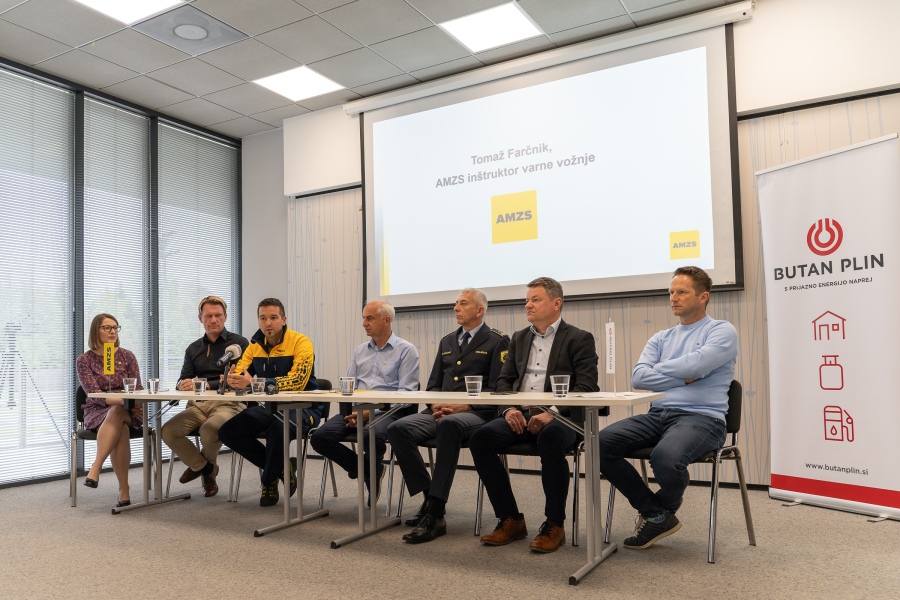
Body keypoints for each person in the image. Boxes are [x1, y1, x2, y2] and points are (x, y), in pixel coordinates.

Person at [598, 266, 737, 550]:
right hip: (658, 414)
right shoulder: (661, 337)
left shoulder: (721, 330)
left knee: (665, 458)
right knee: (598, 444)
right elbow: (639, 378)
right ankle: (655, 513)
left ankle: (660, 510)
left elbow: (698, 365)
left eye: (682, 292)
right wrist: (683, 376)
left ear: (703, 297)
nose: (674, 297)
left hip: (704, 418)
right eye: (671, 292)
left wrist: (662, 370)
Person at [469, 276, 599, 553]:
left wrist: (552, 413)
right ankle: (511, 519)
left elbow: (587, 386)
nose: (528, 305)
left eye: (535, 299)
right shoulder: (518, 338)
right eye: (527, 300)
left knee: (550, 438)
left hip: (562, 418)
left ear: (556, 303)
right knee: (481, 439)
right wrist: (509, 409)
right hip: (521, 414)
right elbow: (504, 381)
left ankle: (555, 524)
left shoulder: (579, 338)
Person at [387, 288, 509, 543]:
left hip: (478, 414)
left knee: (450, 425)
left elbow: (499, 388)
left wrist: (464, 406)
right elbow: (433, 385)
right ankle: (429, 496)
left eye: (463, 303)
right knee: (398, 428)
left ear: (479, 310)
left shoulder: (497, 341)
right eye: (456, 303)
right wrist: (435, 405)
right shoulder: (447, 341)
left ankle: (436, 514)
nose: (456, 308)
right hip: (442, 412)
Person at [311, 300, 419, 506]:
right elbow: (348, 386)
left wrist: (372, 412)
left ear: (386, 320)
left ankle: (369, 470)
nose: (364, 323)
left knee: (371, 434)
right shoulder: (360, 350)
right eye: (363, 318)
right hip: (357, 410)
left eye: (369, 318)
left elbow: (406, 394)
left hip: (389, 412)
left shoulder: (406, 350)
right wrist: (354, 411)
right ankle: (369, 470)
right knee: (320, 438)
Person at [217, 298, 323, 507]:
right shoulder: (254, 346)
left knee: (277, 427)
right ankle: (281, 467)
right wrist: (232, 380)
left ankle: (268, 480)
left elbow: (298, 381)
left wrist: (255, 383)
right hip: (270, 407)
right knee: (228, 431)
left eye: (273, 318)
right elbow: (242, 374)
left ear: (284, 319)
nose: (268, 323)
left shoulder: (301, 342)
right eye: (263, 318)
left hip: (303, 407)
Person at [161, 296, 249, 498]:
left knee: (209, 430)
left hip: (229, 403)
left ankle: (205, 474)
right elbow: (183, 378)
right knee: (167, 431)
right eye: (208, 316)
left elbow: (241, 379)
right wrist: (182, 384)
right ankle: (207, 469)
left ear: (225, 317)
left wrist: (210, 384)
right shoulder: (193, 348)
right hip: (198, 405)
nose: (213, 320)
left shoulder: (239, 344)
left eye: (218, 315)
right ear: (200, 318)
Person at [75, 313, 144, 507]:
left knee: (118, 412)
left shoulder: (127, 356)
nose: (112, 331)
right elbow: (93, 394)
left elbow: (137, 388)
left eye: (115, 327)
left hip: (129, 410)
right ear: (95, 331)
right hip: (97, 411)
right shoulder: (84, 360)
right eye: (107, 328)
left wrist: (125, 401)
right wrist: (118, 401)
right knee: (120, 426)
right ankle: (124, 490)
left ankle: (96, 467)